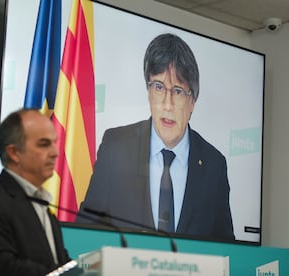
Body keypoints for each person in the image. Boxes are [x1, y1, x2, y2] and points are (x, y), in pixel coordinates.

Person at [77, 33, 235, 241]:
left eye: (178, 91)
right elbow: (85, 231)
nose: (167, 105)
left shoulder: (213, 165)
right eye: (159, 87)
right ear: (148, 92)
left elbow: (226, 247)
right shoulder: (116, 146)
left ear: (193, 102)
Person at [0, 109, 79, 275]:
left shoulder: (42, 206)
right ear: (14, 153)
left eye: (54, 143)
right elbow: (0, 267)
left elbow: (59, 264)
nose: (55, 152)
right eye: (44, 144)